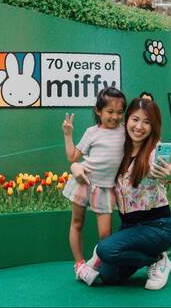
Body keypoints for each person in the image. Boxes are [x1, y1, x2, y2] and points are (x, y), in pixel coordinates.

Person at [75, 98, 171, 290]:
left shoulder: (154, 151)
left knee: (105, 249)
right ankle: (153, 257)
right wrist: (75, 166)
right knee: (109, 276)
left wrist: (170, 172)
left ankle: (157, 259)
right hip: (129, 227)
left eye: (147, 122)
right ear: (126, 120)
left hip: (158, 226)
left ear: (153, 126)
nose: (139, 127)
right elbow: (93, 162)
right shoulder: (120, 149)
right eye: (135, 119)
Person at [61, 87, 127, 279]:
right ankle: (79, 264)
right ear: (98, 111)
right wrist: (67, 134)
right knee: (77, 223)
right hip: (84, 182)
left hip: (106, 189)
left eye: (119, 112)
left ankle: (97, 262)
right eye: (110, 112)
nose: (115, 117)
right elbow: (72, 156)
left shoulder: (126, 132)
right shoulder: (92, 132)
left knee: (106, 235)